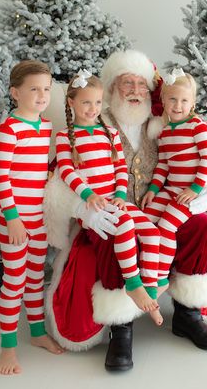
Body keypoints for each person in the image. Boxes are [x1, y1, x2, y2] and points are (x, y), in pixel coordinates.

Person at [43, 50, 207, 371]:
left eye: (140, 84)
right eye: (125, 82)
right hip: (109, 210)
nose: (134, 89)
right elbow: (60, 173)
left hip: (160, 207)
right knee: (111, 238)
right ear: (112, 89)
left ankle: (188, 314)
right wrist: (81, 207)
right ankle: (122, 327)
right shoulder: (93, 124)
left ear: (150, 89)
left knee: (202, 228)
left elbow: (200, 155)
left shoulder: (164, 121)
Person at [56, 70, 163, 325]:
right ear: (71, 103)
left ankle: (149, 289)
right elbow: (67, 171)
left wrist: (119, 194)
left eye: (96, 102)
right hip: (95, 207)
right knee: (125, 224)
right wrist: (88, 195)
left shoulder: (110, 133)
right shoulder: (65, 138)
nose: (92, 109)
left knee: (152, 233)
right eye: (85, 102)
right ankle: (132, 282)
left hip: (115, 200)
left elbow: (119, 169)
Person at [0, 60, 64, 375]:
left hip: (39, 217)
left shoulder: (45, 126)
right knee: (15, 281)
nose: (41, 95)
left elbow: (39, 165)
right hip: (16, 219)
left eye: (46, 89)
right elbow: (1, 178)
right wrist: (12, 219)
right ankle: (7, 350)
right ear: (15, 92)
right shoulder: (9, 129)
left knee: (36, 278)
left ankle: (36, 334)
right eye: (34, 89)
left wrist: (51, 173)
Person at [141, 70, 207, 288]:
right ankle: (146, 270)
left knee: (166, 227)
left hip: (191, 192)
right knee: (146, 219)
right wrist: (153, 190)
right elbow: (163, 164)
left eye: (184, 100)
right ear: (163, 100)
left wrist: (194, 188)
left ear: (192, 103)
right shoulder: (164, 131)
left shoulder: (196, 125)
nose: (178, 105)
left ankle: (160, 277)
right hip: (171, 188)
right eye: (172, 99)